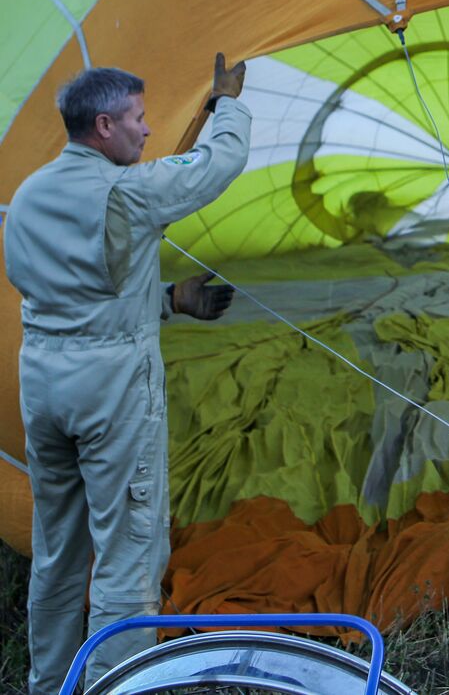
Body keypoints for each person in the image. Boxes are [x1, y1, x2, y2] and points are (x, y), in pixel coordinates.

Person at [3, 55, 252, 691]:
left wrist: (168, 300)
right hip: (110, 388)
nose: (148, 130)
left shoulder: (27, 195)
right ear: (105, 126)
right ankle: (115, 685)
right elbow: (218, 164)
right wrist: (227, 104)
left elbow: (75, 292)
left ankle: (49, 683)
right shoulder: (128, 191)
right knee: (129, 552)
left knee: (57, 549)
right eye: (139, 118)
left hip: (43, 383)